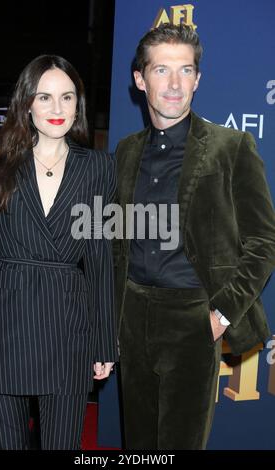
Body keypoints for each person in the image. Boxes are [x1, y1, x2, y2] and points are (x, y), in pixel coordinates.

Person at [113, 23, 275, 450]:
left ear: (198, 79)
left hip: (192, 316)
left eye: (185, 71)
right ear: (139, 79)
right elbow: (113, 241)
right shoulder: (126, 150)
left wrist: (221, 314)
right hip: (131, 316)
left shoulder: (231, 147)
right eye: (162, 70)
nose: (174, 84)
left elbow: (263, 242)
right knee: (140, 446)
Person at [0, 55, 117, 450]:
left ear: (79, 105)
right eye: (45, 97)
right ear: (27, 103)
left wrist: (104, 340)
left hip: (68, 330)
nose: (57, 109)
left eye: (67, 98)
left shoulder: (99, 168)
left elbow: (100, 255)